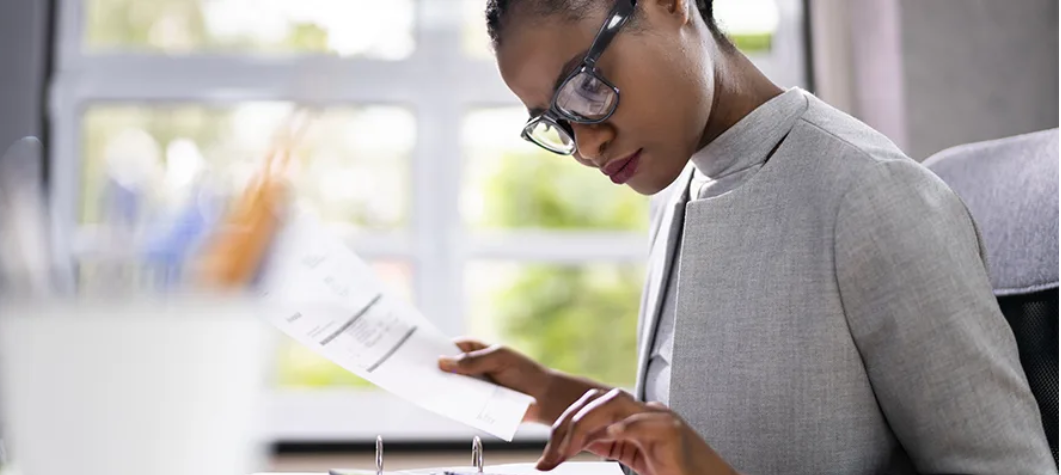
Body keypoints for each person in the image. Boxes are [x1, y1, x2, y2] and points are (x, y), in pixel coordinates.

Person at [438, 0, 1054, 473]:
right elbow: (722, 422)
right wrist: (549, 392)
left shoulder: (869, 195)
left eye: (587, 87)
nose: (586, 146)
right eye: (555, 122)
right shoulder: (680, 186)